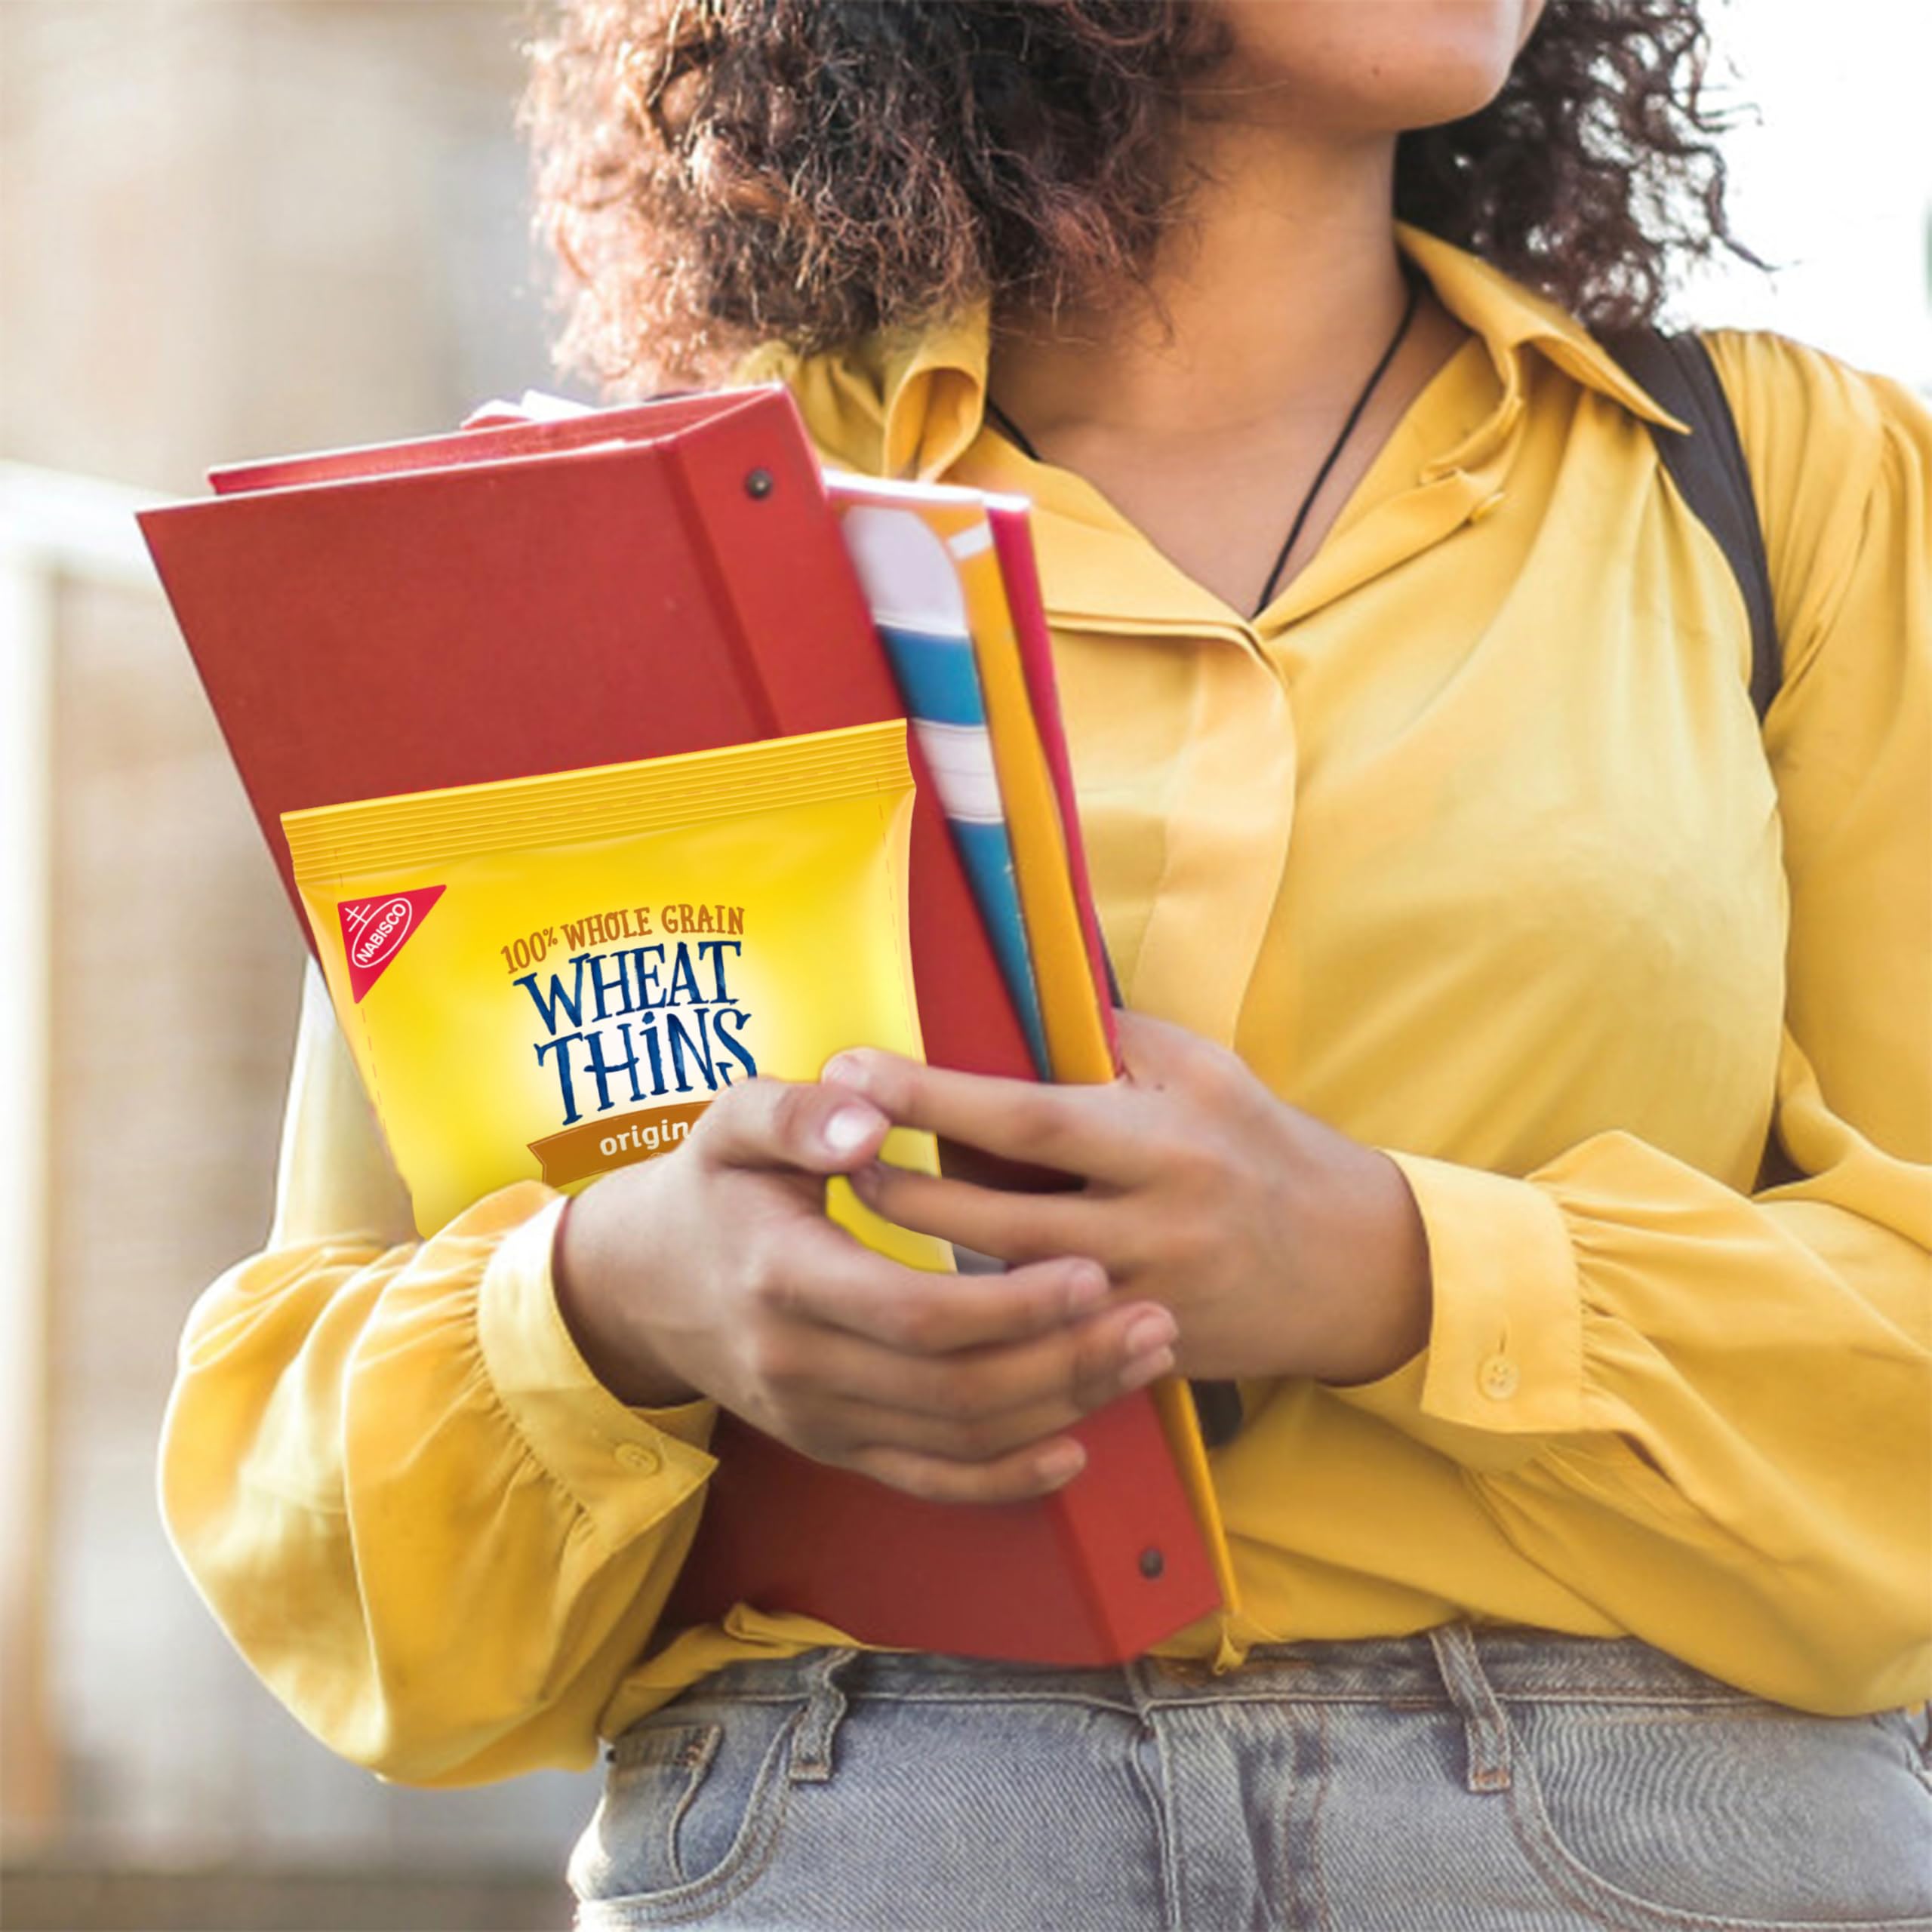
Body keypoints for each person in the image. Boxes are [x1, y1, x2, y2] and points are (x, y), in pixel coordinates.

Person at [160, 1, 1932, 1925]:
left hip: (1653, 1831)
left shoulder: (1792, 489)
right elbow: (347, 1566)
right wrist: (612, 1303)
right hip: (857, 1826)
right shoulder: (607, 545)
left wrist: (1395, 1268)